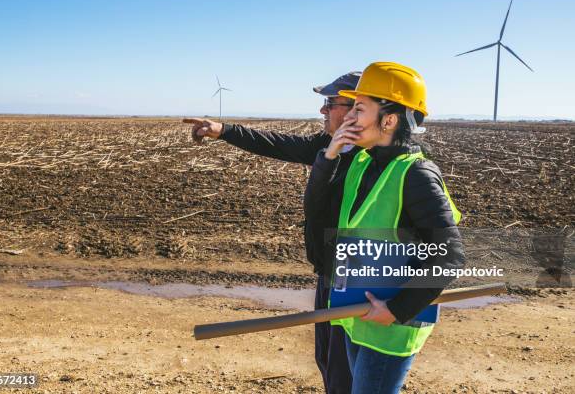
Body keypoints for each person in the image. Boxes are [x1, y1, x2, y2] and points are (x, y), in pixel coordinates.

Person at [183, 72, 361, 394]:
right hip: (329, 272)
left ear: (357, 108)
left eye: (330, 103)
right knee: (328, 363)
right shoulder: (330, 146)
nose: (323, 110)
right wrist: (224, 131)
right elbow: (279, 144)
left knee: (348, 373)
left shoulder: (378, 160)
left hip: (355, 280)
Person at [304, 62, 465, 393]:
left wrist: (396, 310)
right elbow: (317, 211)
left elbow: (449, 256)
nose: (350, 117)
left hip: (389, 328)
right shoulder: (363, 163)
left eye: (359, 109)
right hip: (358, 317)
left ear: (389, 120)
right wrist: (329, 155)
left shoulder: (416, 175)